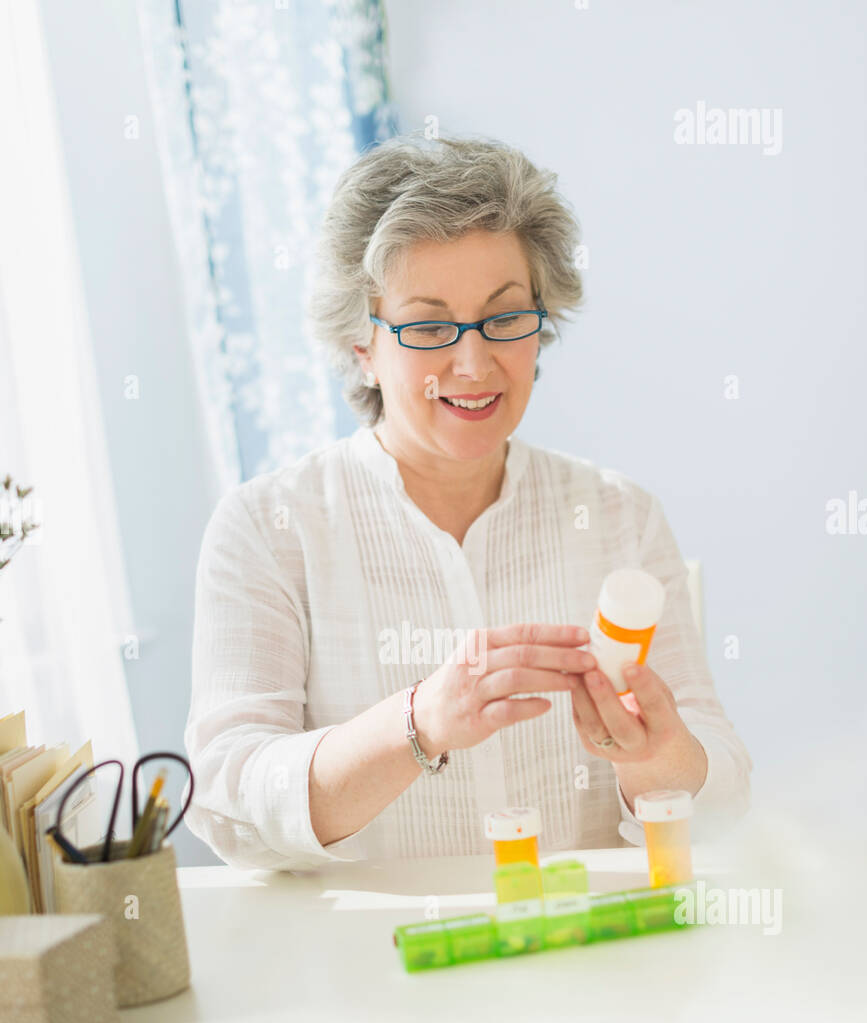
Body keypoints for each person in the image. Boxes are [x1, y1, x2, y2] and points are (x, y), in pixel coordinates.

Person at [184, 134, 752, 872]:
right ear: (363, 343)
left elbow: (723, 804)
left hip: (594, 960)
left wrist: (658, 754)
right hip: (374, 970)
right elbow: (229, 808)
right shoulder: (269, 530)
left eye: (505, 316)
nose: (475, 362)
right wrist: (417, 724)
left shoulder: (620, 517)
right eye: (426, 325)